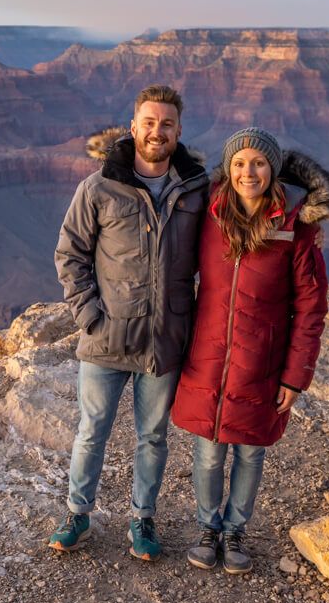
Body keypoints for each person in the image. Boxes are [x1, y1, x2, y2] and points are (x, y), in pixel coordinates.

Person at [49, 84, 209, 561]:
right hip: (106, 337)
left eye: (167, 124)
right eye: (149, 122)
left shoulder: (198, 188)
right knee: (91, 429)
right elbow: (70, 254)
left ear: (178, 131)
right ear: (133, 126)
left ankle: (142, 519)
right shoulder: (98, 187)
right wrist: (88, 315)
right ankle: (78, 513)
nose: (156, 131)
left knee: (153, 436)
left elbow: (248, 210)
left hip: (164, 339)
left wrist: (305, 224)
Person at [170, 127, 329, 574]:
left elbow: (310, 308)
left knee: (249, 451)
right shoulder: (206, 213)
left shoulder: (297, 228)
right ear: (228, 169)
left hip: (262, 363)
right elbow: (151, 182)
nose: (249, 172)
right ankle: (208, 527)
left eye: (259, 163)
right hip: (207, 356)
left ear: (273, 169)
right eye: (240, 163)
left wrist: (295, 376)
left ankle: (234, 531)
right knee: (207, 452)